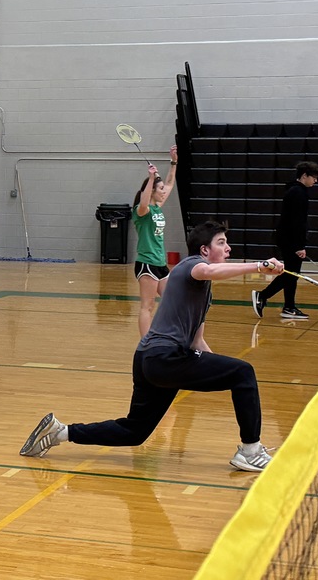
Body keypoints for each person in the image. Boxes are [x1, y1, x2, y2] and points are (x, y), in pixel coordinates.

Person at [19, 221, 285, 472]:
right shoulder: (193, 265)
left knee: (134, 431)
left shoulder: (202, 293)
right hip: (164, 357)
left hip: (150, 358)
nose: (228, 248)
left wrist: (218, 372)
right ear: (205, 250)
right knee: (244, 372)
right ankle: (250, 451)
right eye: (221, 242)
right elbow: (208, 271)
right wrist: (259, 266)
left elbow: (197, 341)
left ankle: (60, 432)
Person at [252, 161, 318, 321]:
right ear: (304, 176)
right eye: (314, 177)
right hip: (290, 241)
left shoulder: (296, 191)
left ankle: (289, 307)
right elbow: (297, 222)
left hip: (286, 239)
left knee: (292, 274)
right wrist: (299, 246)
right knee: (291, 274)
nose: (315, 181)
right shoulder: (298, 193)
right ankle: (262, 296)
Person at [131, 146, 178, 337]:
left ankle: (165, 334)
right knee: (147, 306)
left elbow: (169, 183)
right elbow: (143, 203)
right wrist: (151, 179)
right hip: (147, 263)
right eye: (159, 190)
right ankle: (146, 345)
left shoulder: (158, 207)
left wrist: (173, 162)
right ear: (151, 191)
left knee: (171, 301)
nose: (163, 192)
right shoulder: (141, 212)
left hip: (160, 263)